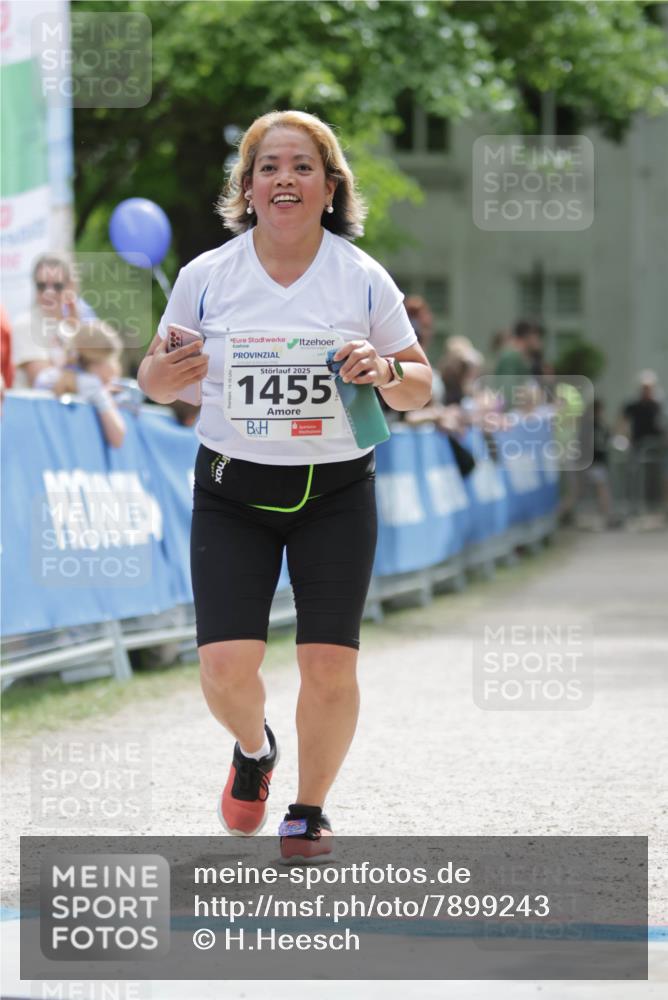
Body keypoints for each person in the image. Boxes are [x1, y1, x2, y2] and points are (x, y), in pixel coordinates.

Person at [137, 110, 431, 861]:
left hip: (334, 490)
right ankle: (254, 750)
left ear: (331, 187)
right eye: (269, 167)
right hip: (232, 491)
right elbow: (154, 373)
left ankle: (309, 807)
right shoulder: (207, 277)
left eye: (303, 166)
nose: (285, 179)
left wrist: (386, 371)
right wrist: (162, 376)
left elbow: (418, 384)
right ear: (247, 187)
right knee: (224, 669)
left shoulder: (361, 276)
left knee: (329, 664)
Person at [35, 321, 126, 448]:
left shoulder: (47, 376)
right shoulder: (92, 385)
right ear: (99, 363)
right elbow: (118, 438)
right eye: (113, 360)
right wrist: (107, 399)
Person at [11, 254, 81, 387]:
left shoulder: (72, 325)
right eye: (41, 286)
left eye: (57, 286)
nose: (48, 292)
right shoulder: (25, 324)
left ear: (71, 287)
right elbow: (41, 381)